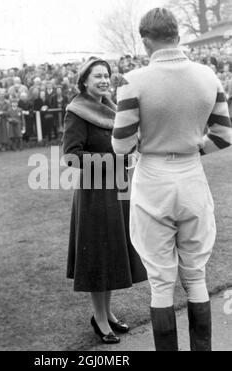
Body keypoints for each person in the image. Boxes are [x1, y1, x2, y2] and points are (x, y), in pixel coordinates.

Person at [112, 8, 232, 351]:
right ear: (177, 35)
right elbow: (224, 135)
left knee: (161, 283)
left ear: (146, 40)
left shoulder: (134, 80)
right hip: (192, 173)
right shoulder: (208, 75)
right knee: (195, 276)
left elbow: (121, 146)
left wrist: (146, 144)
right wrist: (194, 148)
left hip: (153, 177)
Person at [63, 58, 147, 345]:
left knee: (111, 253)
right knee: (98, 256)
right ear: (84, 80)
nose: (103, 80)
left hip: (117, 189)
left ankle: (107, 313)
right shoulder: (77, 111)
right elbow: (71, 156)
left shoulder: (111, 108)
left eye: (106, 75)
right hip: (95, 194)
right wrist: (112, 161)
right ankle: (98, 319)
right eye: (97, 75)